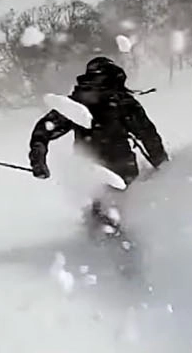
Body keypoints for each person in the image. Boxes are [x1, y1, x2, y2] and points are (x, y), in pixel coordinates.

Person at [28, 56, 168, 237]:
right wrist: (163, 166)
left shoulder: (77, 103)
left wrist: (37, 160)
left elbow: (43, 131)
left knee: (105, 212)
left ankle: (103, 246)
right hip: (119, 168)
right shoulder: (120, 101)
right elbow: (148, 136)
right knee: (122, 212)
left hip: (92, 170)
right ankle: (121, 245)